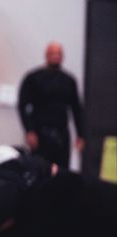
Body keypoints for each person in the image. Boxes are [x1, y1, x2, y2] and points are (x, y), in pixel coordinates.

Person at [18, 41, 85, 169]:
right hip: (40, 134)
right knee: (39, 170)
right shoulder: (33, 78)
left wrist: (80, 135)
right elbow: (22, 106)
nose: (56, 56)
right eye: (53, 53)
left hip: (61, 134)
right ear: (47, 55)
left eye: (59, 53)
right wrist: (29, 131)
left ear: (63, 56)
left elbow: (76, 109)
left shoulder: (69, 80)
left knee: (61, 172)